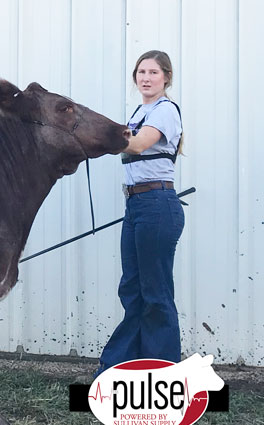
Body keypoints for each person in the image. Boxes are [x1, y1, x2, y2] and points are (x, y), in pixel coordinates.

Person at [95, 50, 185, 377]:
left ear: (166, 78)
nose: (145, 78)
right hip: (135, 205)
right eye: (141, 72)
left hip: (157, 206)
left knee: (155, 293)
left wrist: (97, 132)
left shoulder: (165, 111)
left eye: (153, 72)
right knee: (132, 288)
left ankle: (162, 372)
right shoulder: (139, 112)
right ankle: (125, 368)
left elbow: (136, 145)